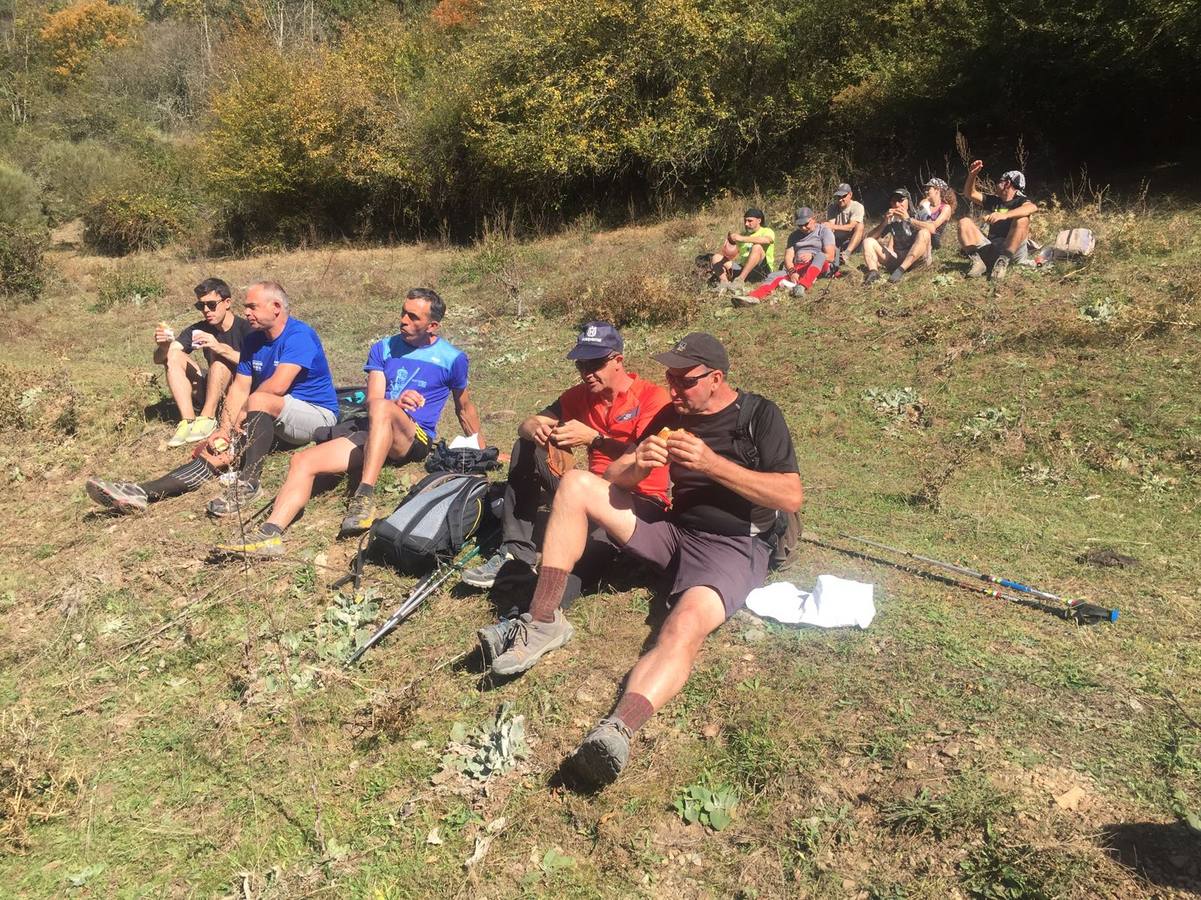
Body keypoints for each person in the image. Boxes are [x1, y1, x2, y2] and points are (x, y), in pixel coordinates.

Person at [484, 332, 802, 789]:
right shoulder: (673, 414)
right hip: (674, 532)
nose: (673, 390)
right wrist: (638, 465)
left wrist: (712, 465)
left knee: (683, 625)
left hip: (733, 546)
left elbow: (790, 494)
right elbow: (612, 476)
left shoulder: (758, 415)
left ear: (716, 378)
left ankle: (617, 729)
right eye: (669, 378)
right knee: (576, 485)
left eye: (684, 380)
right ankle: (542, 619)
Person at [215, 288, 483, 557]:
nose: (403, 320)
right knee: (303, 461)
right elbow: (373, 400)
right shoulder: (383, 348)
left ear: (432, 326)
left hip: (412, 436)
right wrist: (396, 401)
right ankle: (270, 533)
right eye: (403, 312)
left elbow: (464, 407)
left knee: (385, 409)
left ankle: (364, 494)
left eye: (413, 317)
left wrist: (481, 450)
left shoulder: (452, 358)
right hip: (373, 428)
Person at [461, 322, 671, 655]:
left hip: (634, 501)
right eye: (581, 364)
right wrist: (537, 430)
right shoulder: (578, 397)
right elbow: (528, 422)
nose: (587, 373)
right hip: (584, 490)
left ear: (618, 359)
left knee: (587, 557)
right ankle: (517, 549)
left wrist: (595, 439)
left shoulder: (651, 397)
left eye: (595, 364)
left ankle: (523, 619)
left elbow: (645, 455)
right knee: (525, 446)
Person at [202, 280, 340, 517]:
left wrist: (245, 410)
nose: (246, 312)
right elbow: (240, 387)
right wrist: (225, 428)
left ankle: (249, 482)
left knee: (260, 400)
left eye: (252, 306)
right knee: (253, 405)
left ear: (276, 306)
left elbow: (277, 386)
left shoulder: (299, 335)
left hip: (317, 415)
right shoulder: (254, 340)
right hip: (280, 413)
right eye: (246, 307)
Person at [153, 277, 252, 447]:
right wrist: (163, 347)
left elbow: (258, 365)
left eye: (212, 305)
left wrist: (219, 347)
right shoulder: (199, 329)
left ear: (227, 302)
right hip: (213, 388)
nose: (206, 310)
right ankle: (188, 421)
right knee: (174, 355)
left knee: (220, 357)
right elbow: (160, 359)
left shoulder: (247, 329)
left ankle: (208, 417)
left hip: (239, 393)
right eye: (201, 306)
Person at [733, 207, 837, 306]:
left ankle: (803, 286)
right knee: (773, 276)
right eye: (800, 225)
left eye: (806, 224)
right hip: (799, 267)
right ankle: (754, 297)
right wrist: (792, 272)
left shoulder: (824, 231)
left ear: (813, 219)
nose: (803, 228)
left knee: (820, 255)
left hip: (819, 266)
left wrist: (812, 256)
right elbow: (788, 257)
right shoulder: (794, 236)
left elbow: (831, 256)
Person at [956, 162, 1037, 280]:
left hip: (1014, 253)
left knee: (1023, 219)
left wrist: (1004, 215)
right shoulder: (994, 200)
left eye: (1000, 181)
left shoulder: (1020, 201)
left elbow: (1032, 208)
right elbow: (970, 194)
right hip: (993, 249)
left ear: (1007, 183)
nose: (997, 184)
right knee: (964, 222)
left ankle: (1004, 261)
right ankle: (978, 263)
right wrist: (972, 175)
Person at [861, 188, 933, 285]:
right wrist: (884, 222)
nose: (897, 204)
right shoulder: (892, 219)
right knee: (868, 241)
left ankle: (901, 270)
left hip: (918, 260)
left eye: (901, 200)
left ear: (908, 200)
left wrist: (908, 219)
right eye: (894, 202)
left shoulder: (919, 212)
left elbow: (932, 229)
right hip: (898, 259)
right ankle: (873, 273)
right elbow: (869, 237)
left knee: (924, 233)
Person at [700, 208, 776, 288]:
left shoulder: (767, 231)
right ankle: (724, 283)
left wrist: (741, 239)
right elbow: (729, 255)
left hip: (761, 270)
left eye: (750, 221)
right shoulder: (743, 234)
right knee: (716, 257)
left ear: (759, 221)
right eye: (745, 221)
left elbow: (767, 240)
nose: (746, 224)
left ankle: (740, 280)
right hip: (743, 268)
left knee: (757, 247)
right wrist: (730, 243)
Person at [822, 183, 865, 263]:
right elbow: (830, 226)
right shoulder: (832, 207)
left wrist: (833, 226)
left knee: (860, 226)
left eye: (843, 196)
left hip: (851, 240)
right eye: (838, 197)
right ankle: (835, 253)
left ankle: (847, 253)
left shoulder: (857, 207)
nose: (840, 199)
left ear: (850, 194)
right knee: (826, 230)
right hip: (837, 240)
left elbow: (851, 226)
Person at [912, 177, 958, 251]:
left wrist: (912, 221)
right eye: (925, 189)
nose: (925, 192)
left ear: (937, 190)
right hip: (920, 232)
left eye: (928, 189)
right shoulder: (925, 204)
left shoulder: (945, 208)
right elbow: (918, 219)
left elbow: (934, 227)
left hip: (934, 238)